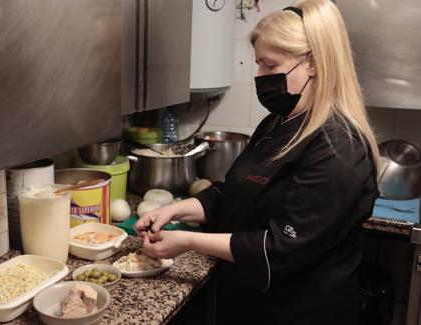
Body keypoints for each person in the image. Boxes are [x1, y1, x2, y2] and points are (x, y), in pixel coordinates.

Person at [135, 1, 380, 324]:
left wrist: (188, 241)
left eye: (270, 66)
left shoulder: (338, 146)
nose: (260, 77)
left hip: (300, 311)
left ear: (313, 63)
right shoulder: (278, 122)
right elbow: (237, 192)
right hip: (252, 302)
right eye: (259, 65)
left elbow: (281, 247)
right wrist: (175, 210)